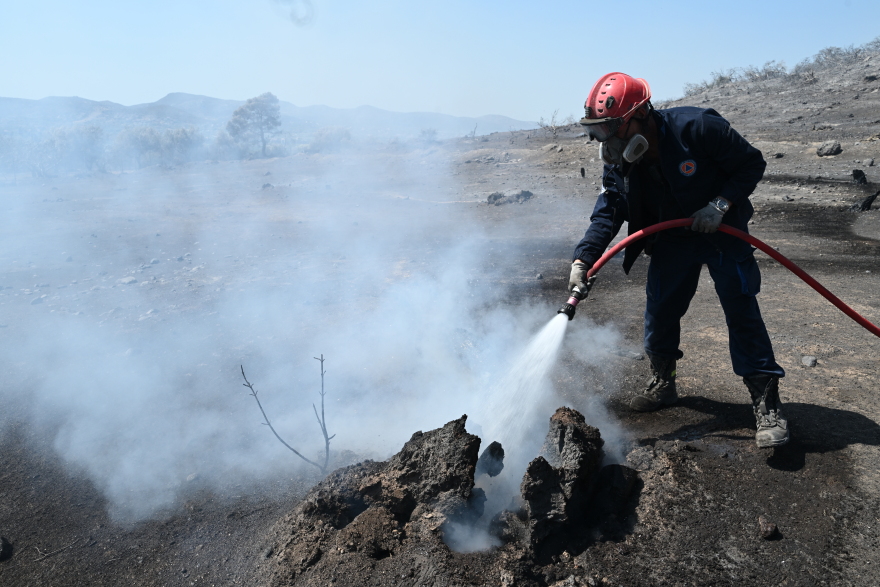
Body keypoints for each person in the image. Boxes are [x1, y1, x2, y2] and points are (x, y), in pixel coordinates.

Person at [569, 72, 788, 448]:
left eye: (611, 128)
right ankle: (663, 382)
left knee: (741, 311)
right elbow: (608, 211)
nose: (605, 141)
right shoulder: (622, 159)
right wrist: (584, 259)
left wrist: (720, 205)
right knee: (660, 311)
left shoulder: (698, 128)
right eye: (598, 131)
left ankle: (767, 405)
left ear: (640, 115)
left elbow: (751, 164)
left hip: (722, 232)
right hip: (671, 237)